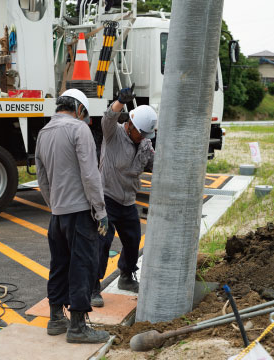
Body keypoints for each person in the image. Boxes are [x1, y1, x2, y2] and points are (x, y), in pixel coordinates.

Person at [35, 89, 110, 343]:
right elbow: (91, 175)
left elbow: (42, 178)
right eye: (85, 114)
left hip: (58, 215)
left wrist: (54, 205)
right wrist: (100, 212)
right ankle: (77, 327)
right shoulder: (79, 130)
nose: (85, 119)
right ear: (79, 109)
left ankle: (56, 318)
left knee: (59, 265)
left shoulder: (44, 133)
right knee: (82, 266)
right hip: (80, 213)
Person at [91, 84, 157, 307]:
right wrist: (120, 101)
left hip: (128, 200)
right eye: (141, 132)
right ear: (130, 125)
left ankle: (126, 277)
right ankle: (93, 286)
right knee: (102, 243)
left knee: (132, 241)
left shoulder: (145, 143)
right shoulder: (114, 134)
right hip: (107, 199)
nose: (143, 137)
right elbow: (108, 118)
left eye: (146, 135)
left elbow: (155, 164)